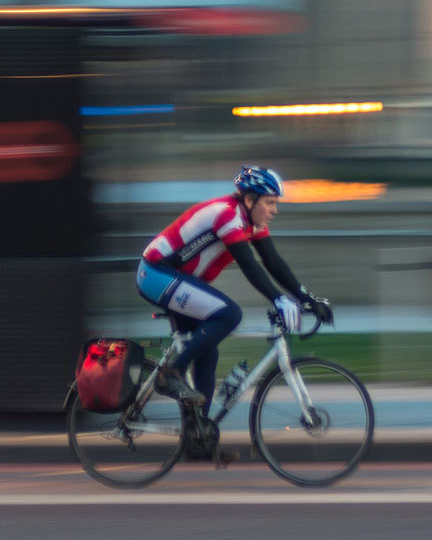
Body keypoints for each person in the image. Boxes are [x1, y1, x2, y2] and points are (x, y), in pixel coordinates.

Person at [135, 165, 333, 459]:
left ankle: (197, 436)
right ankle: (171, 373)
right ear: (250, 199)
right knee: (229, 315)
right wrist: (279, 299)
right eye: (270, 202)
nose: (274, 210)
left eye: (275, 203)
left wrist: (307, 299)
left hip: (175, 279)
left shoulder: (249, 223)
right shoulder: (226, 215)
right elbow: (250, 265)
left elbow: (273, 263)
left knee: (208, 351)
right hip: (156, 273)